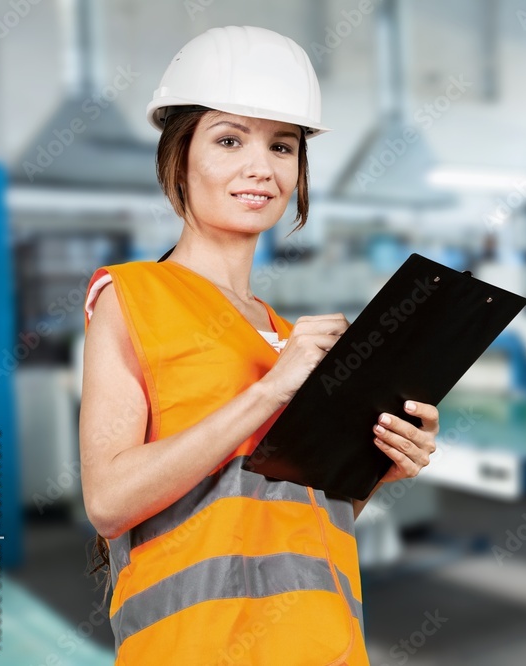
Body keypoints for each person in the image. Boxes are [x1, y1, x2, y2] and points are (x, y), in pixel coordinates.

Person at [79, 26, 439, 664]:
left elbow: (303, 510)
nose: (261, 168)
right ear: (178, 156)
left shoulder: (283, 332)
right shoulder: (133, 297)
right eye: (228, 139)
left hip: (325, 644)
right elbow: (108, 503)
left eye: (283, 145)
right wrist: (272, 389)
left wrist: (382, 457)